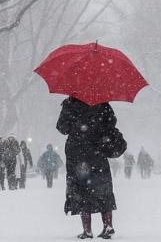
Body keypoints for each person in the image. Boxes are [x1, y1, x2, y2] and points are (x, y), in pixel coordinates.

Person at [57, 96, 127, 240]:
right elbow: (111, 123)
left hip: (78, 155)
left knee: (81, 191)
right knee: (103, 189)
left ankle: (87, 231)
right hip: (98, 153)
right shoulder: (102, 103)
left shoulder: (70, 103)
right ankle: (108, 226)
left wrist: (76, 121)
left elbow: (62, 128)